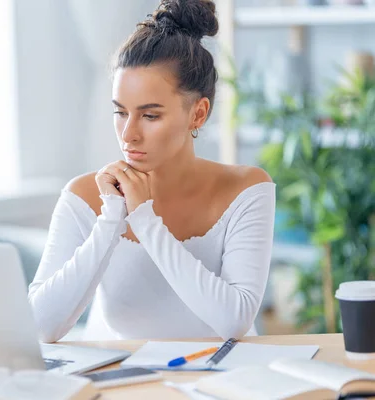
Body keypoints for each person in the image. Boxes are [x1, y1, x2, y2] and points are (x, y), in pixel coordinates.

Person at [28, 0, 275, 343]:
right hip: (122, 384)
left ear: (198, 114)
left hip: (222, 384)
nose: (128, 134)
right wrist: (111, 220)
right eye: (120, 112)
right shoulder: (83, 196)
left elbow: (233, 321)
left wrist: (144, 218)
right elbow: (41, 326)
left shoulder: (246, 189)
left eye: (150, 115)